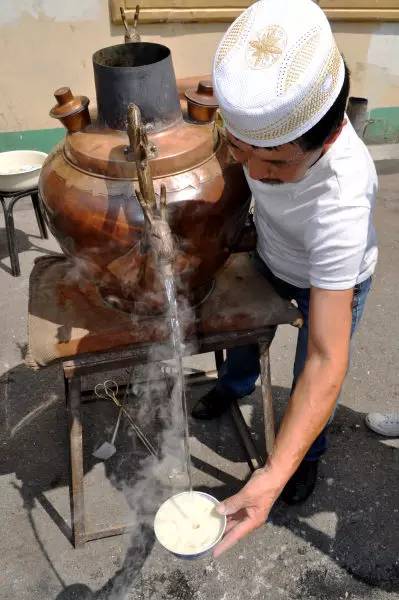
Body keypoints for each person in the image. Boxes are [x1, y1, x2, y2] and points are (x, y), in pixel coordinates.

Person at [190, 0, 378, 557]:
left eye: (274, 166)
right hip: (272, 257)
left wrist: (268, 475)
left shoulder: (342, 195)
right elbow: (190, 88)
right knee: (244, 341)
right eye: (243, 151)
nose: (255, 172)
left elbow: (326, 357)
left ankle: (304, 461)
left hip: (331, 279)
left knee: (305, 378)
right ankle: (233, 386)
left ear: (328, 136)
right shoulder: (257, 115)